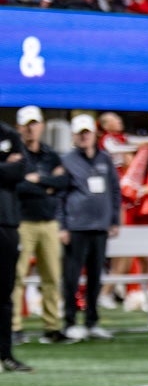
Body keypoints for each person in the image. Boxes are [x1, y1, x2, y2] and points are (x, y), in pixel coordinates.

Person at [11, 106, 72, 345]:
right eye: (26, 124)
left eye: (34, 123)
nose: (30, 128)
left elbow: (63, 182)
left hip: (48, 223)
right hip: (22, 222)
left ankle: (52, 326)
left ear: (41, 125)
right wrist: (46, 185)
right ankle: (14, 326)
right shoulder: (14, 155)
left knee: (52, 276)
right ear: (19, 128)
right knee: (16, 276)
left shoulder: (50, 154)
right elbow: (16, 185)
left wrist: (38, 180)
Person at [58, 114, 121, 341]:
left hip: (100, 228)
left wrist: (114, 220)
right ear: (74, 135)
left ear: (94, 134)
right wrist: (62, 225)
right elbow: (60, 196)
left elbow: (114, 191)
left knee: (96, 276)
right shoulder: (66, 160)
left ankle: (92, 321)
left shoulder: (105, 159)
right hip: (75, 227)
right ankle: (70, 322)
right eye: (80, 133)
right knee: (72, 277)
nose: (84, 136)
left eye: (87, 132)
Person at [1, 115, 32, 372]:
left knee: (5, 291)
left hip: (6, 222)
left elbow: (21, 170)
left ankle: (5, 354)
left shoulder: (9, 135)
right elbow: (10, 171)